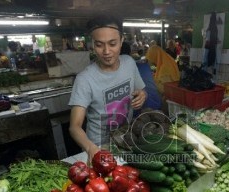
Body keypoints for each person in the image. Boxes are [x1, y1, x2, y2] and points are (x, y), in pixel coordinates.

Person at [68, 15, 147, 163]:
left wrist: (142, 95)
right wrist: (91, 148)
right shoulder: (84, 79)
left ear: (122, 40)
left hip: (124, 140)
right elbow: (75, 127)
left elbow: (142, 91)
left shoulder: (129, 63)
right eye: (99, 45)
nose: (106, 51)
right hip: (97, 148)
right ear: (92, 44)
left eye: (112, 43)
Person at [121, 41, 162, 112]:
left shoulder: (123, 70)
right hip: (157, 105)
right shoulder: (144, 66)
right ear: (130, 52)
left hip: (140, 111)